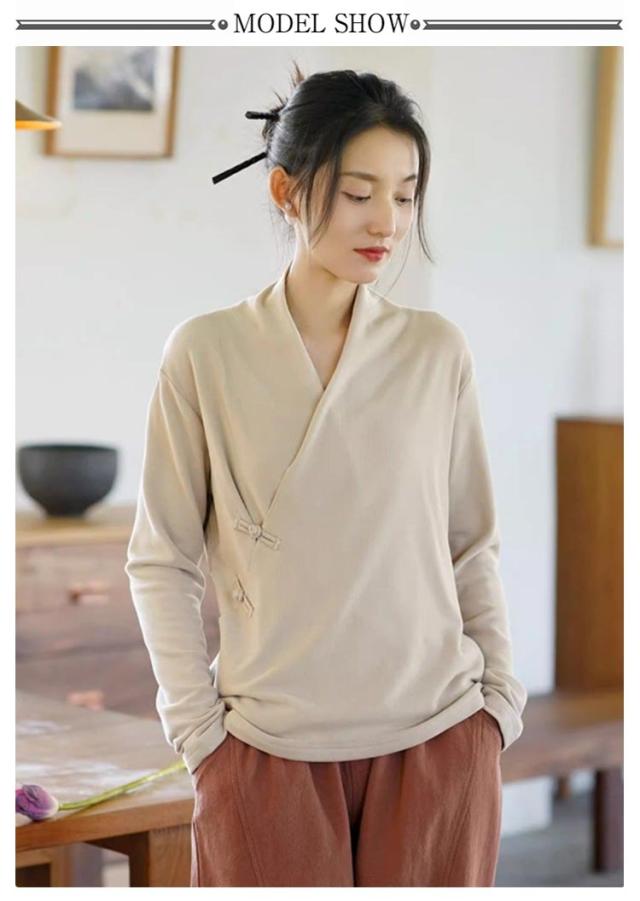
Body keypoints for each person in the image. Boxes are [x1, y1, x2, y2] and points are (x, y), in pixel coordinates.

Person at [125, 62, 528, 887]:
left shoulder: (435, 350)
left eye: (406, 195)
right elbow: (161, 558)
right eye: (358, 193)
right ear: (286, 190)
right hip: (264, 751)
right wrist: (199, 734)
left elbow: (471, 543)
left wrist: (497, 705)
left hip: (440, 737)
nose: (388, 221)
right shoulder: (205, 352)